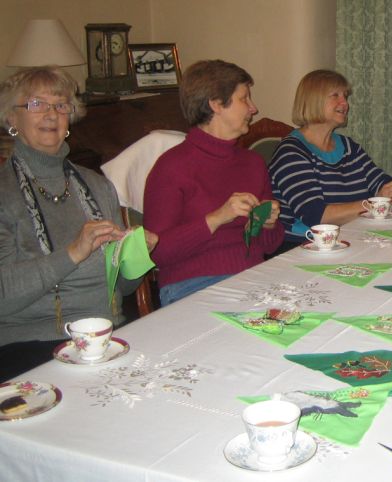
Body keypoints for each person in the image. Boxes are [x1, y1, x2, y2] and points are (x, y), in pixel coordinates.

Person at [0, 66, 157, 381]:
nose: (51, 114)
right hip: (32, 343)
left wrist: (136, 255)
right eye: (36, 104)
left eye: (60, 105)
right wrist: (74, 252)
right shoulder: (5, 193)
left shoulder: (96, 185)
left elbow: (121, 287)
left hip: (107, 334)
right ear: (11, 119)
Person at [143, 60, 283, 306]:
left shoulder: (252, 163)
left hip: (254, 280)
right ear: (216, 104)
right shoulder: (172, 167)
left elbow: (270, 245)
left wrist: (268, 223)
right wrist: (217, 218)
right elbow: (157, 252)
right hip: (190, 285)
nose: (254, 108)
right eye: (244, 99)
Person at [271, 69, 392, 245]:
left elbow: (381, 182)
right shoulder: (291, 153)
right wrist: (373, 204)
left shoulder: (349, 147)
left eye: (345, 96)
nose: (345, 103)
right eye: (335, 95)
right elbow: (316, 216)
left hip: (349, 237)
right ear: (313, 100)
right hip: (304, 245)